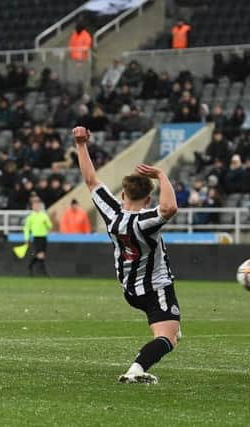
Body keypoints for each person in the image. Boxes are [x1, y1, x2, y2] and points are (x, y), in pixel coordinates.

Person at [73, 126, 180, 384]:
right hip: (156, 288)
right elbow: (169, 208)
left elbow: (90, 181)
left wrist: (80, 144)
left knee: (170, 329)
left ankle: (150, 354)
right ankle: (136, 370)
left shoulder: (112, 213)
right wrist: (162, 174)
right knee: (169, 338)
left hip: (130, 291)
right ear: (147, 199)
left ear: (122, 195)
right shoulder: (145, 221)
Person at [24, 196, 53, 276]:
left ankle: (32, 267)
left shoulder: (44, 216)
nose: (36, 207)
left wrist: (46, 223)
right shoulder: (30, 217)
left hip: (43, 236)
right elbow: (26, 228)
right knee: (40, 254)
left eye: (38, 205)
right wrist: (26, 238)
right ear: (32, 207)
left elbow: (50, 226)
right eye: (35, 205)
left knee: (42, 254)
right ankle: (42, 271)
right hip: (36, 237)